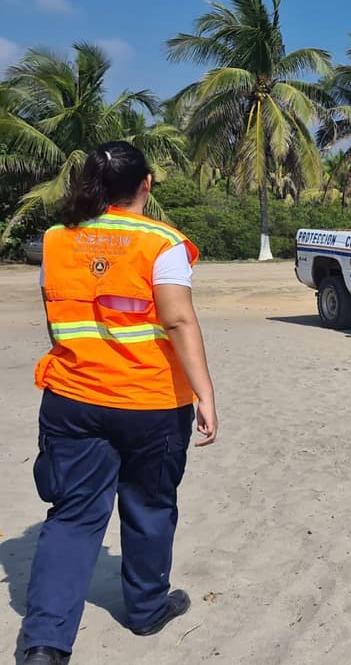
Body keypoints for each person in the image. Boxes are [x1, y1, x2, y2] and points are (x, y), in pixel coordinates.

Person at [21, 141, 218, 665]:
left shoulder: (57, 239)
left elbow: (56, 316)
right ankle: (148, 608)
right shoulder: (162, 242)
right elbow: (178, 320)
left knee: (72, 516)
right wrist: (204, 393)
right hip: (149, 400)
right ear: (145, 184)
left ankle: (45, 643)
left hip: (73, 396)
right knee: (149, 505)